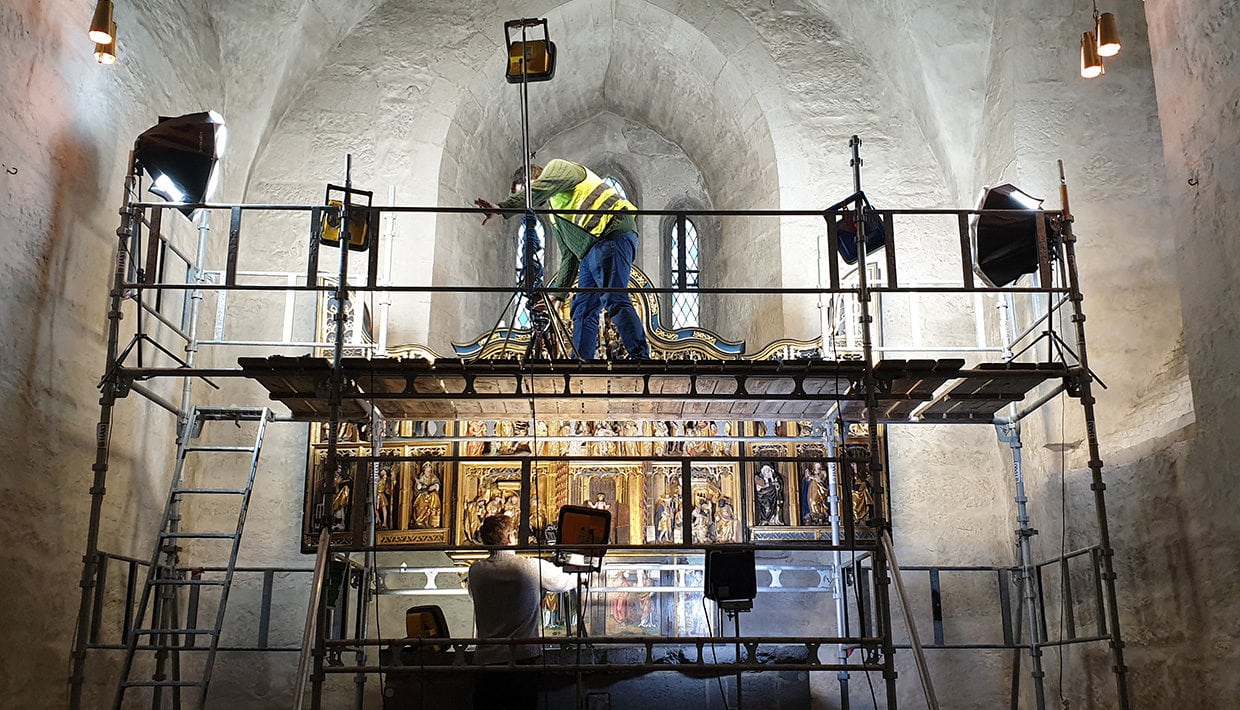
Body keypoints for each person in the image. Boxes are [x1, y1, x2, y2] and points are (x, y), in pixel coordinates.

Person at [475, 160, 651, 360]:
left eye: (523, 193)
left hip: (612, 232)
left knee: (613, 297)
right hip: (591, 248)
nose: (525, 202)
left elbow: (537, 191)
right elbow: (569, 255)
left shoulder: (558, 168)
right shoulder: (554, 213)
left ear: (533, 180)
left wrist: (501, 207)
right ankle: (581, 361)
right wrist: (558, 295)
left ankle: (640, 357)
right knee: (583, 307)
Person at [468, 514, 575, 709]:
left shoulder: (475, 572)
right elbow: (566, 582)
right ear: (510, 538)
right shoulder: (530, 567)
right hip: (522, 658)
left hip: (486, 660)